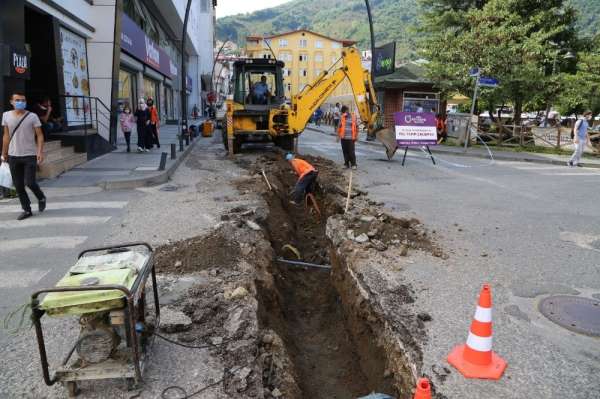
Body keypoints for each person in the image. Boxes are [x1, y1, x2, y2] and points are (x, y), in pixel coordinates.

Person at [1, 92, 46, 220]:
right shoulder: (6, 115)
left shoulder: (32, 116)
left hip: (29, 155)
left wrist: (40, 152)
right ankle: (27, 210)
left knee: (30, 182)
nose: (21, 102)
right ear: (12, 102)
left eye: (23, 100)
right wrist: (3, 153)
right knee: (19, 185)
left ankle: (41, 197)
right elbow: (6, 135)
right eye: (18, 100)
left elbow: (40, 135)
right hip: (13, 155)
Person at [337, 105, 358, 169]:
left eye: (346, 111)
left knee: (351, 151)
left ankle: (354, 164)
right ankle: (346, 164)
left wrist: (356, 136)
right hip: (343, 138)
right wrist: (338, 136)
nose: (345, 112)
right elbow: (339, 127)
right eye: (344, 112)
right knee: (345, 151)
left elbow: (356, 127)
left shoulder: (353, 117)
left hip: (351, 138)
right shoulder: (342, 117)